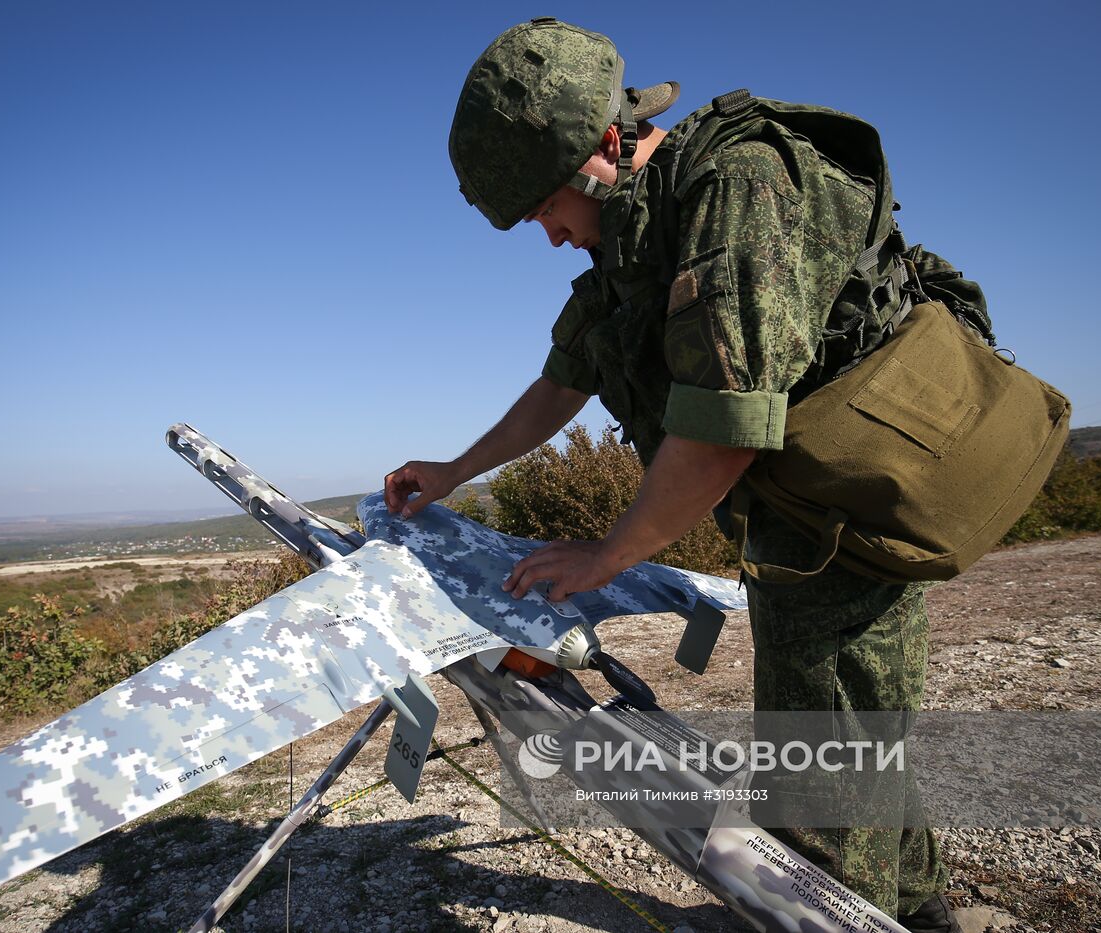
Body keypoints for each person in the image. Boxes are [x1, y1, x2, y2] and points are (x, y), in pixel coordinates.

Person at [384, 17, 976, 933]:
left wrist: (609, 553)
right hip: (800, 524)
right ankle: (926, 912)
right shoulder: (636, 243)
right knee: (855, 734)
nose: (550, 237)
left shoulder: (739, 189)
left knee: (820, 780)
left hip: (849, 519)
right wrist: (455, 470)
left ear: (593, 157)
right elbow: (563, 381)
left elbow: (725, 426)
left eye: (546, 211)